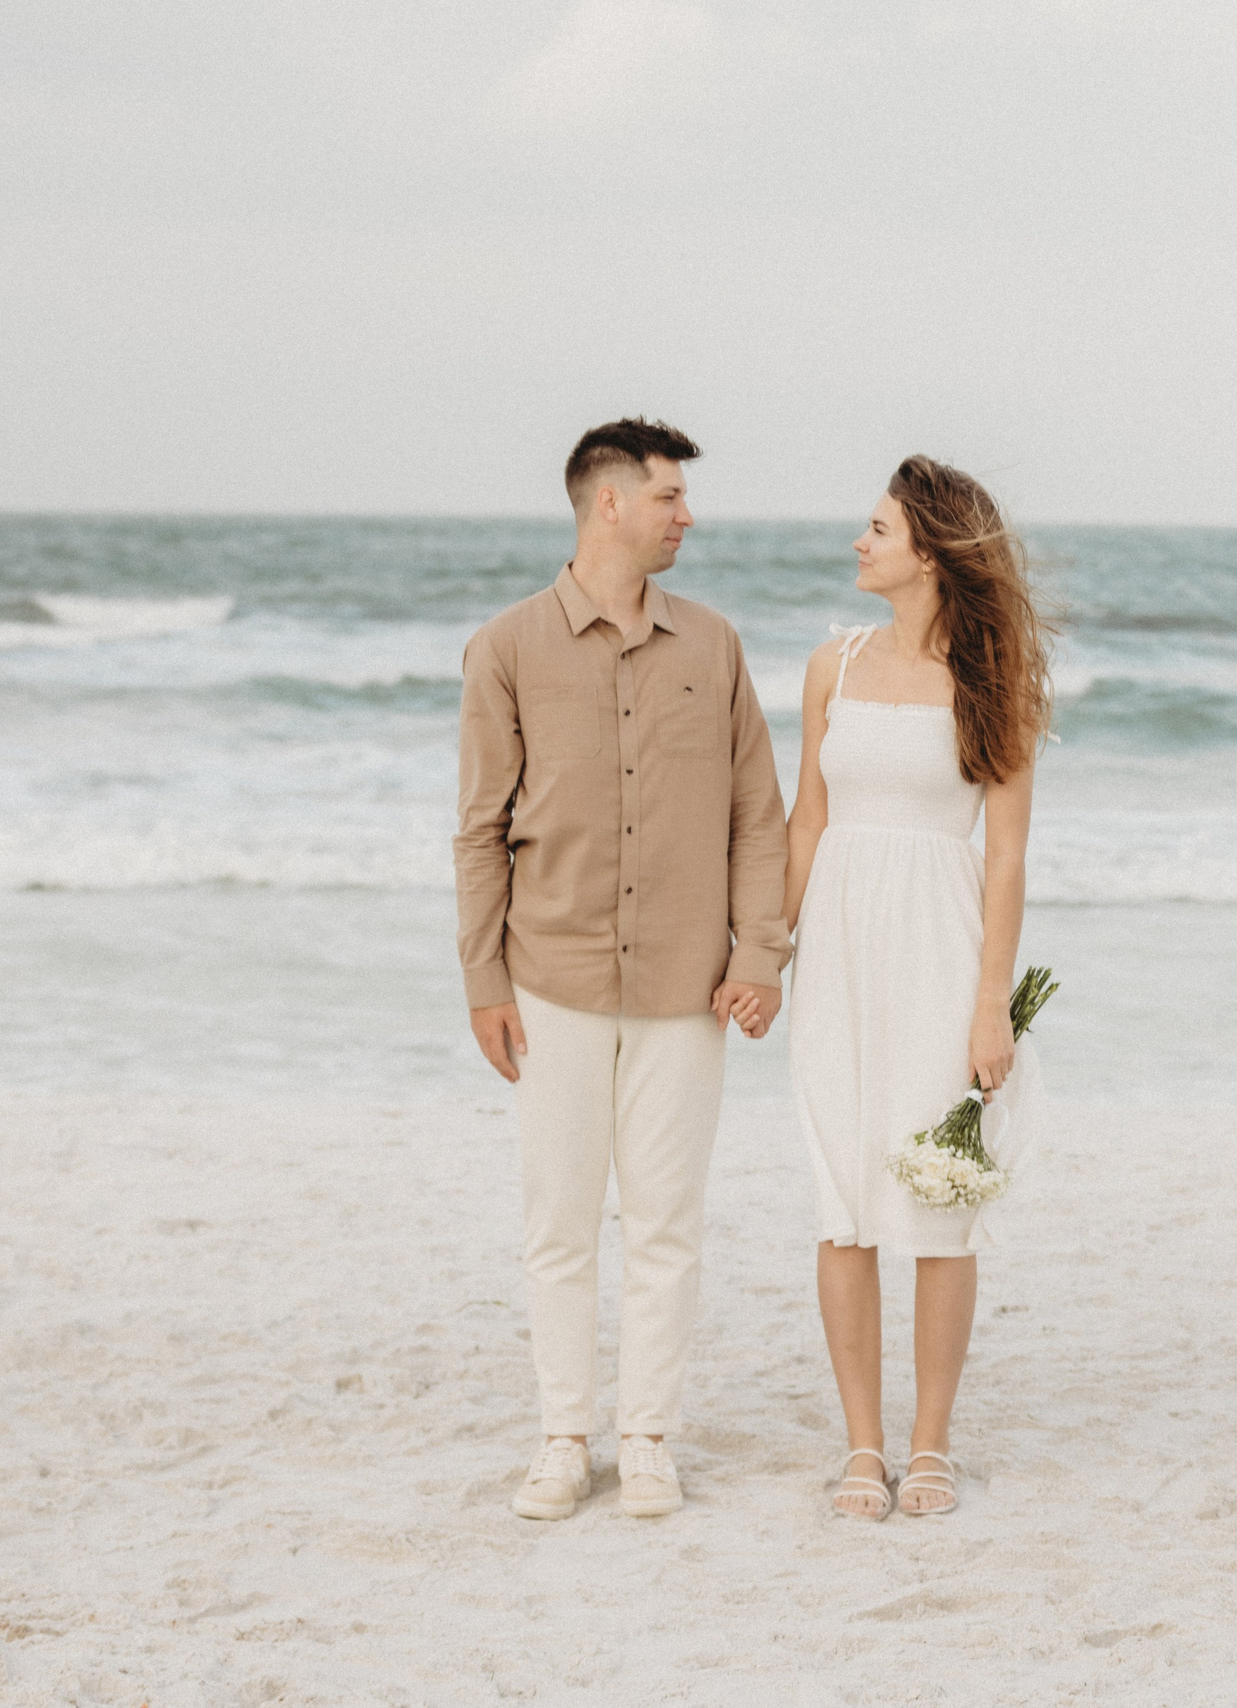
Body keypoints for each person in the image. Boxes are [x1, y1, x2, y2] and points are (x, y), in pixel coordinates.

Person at [453, 417, 789, 1521]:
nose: (687, 516)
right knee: (558, 1221)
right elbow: (480, 829)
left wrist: (759, 953)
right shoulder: (506, 649)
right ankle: (563, 1437)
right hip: (550, 979)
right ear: (609, 503)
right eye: (668, 497)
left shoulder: (714, 646)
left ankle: (645, 1437)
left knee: (666, 1223)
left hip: (689, 987)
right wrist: (484, 980)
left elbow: (757, 814)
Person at [735, 455, 1054, 1519]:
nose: (858, 542)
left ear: (929, 549)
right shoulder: (832, 663)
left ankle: (930, 1445)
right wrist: (766, 954)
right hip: (837, 950)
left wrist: (989, 1004)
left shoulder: (995, 681)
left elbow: (1005, 857)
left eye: (877, 528)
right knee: (843, 1204)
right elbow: (807, 822)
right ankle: (863, 1446)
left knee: (937, 1203)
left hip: (939, 952)